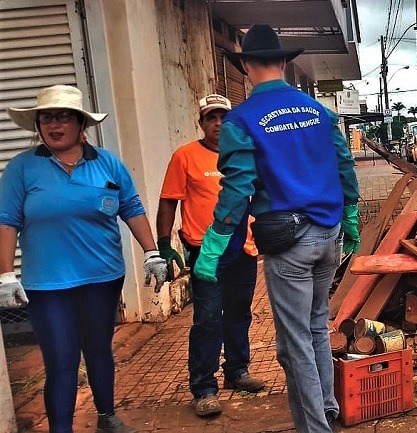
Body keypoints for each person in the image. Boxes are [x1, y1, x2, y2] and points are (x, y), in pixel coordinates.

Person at [193, 24, 360, 433]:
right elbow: (345, 167)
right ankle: (328, 410)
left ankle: (314, 427)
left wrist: (213, 244)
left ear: (246, 65)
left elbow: (237, 188)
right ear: (284, 62)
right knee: (317, 325)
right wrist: (351, 218)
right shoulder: (320, 112)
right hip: (329, 235)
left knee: (293, 344)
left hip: (288, 243)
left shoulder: (242, 119)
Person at [0, 85, 168, 433]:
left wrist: (152, 252)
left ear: (81, 124)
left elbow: (132, 208)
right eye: (46, 118)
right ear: (38, 125)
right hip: (47, 285)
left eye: (63, 117)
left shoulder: (107, 163)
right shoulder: (22, 169)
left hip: (102, 278)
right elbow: (6, 221)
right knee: (61, 360)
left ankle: (106, 416)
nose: (54, 124)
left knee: (98, 350)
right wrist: (5, 275)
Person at [156, 93, 264, 418]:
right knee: (206, 319)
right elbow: (168, 201)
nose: (218, 124)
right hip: (206, 253)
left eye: (223, 118)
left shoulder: (245, 154)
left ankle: (237, 371)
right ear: (201, 123)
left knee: (239, 312)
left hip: (243, 248)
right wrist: (163, 242)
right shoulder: (184, 156)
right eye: (211, 118)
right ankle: (203, 387)